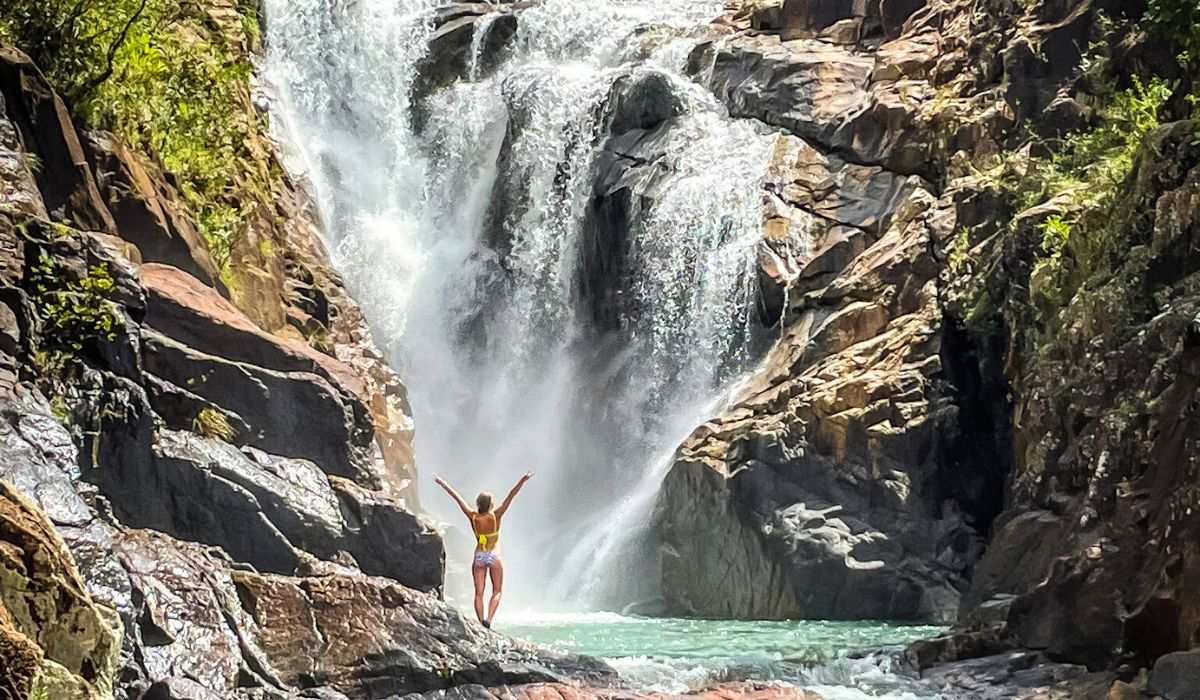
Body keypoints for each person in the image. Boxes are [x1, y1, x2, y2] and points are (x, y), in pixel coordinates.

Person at [432, 471, 532, 628]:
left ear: (478, 503)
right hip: (494, 556)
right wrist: (523, 480)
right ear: (491, 504)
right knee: (497, 590)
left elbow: (457, 498)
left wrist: (442, 483)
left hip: (479, 556)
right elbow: (510, 496)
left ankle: (480, 622)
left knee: (479, 592)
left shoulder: (472, 516)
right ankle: (489, 619)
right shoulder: (495, 516)